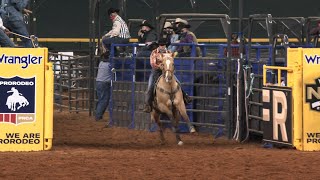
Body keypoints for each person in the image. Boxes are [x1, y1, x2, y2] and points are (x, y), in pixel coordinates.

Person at [143, 38, 192, 113]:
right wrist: (161, 67)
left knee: (177, 83)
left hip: (167, 71)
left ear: (165, 45)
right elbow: (153, 63)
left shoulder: (169, 52)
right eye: (160, 45)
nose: (162, 46)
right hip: (156, 71)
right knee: (150, 87)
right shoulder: (154, 52)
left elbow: (171, 62)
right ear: (158, 45)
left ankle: (185, 97)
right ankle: (147, 105)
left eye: (163, 45)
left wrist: (168, 68)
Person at [95, 51, 112, 121]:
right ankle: (98, 116)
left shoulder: (101, 63)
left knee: (101, 100)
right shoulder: (109, 64)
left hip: (99, 82)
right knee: (104, 100)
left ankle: (98, 115)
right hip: (104, 83)